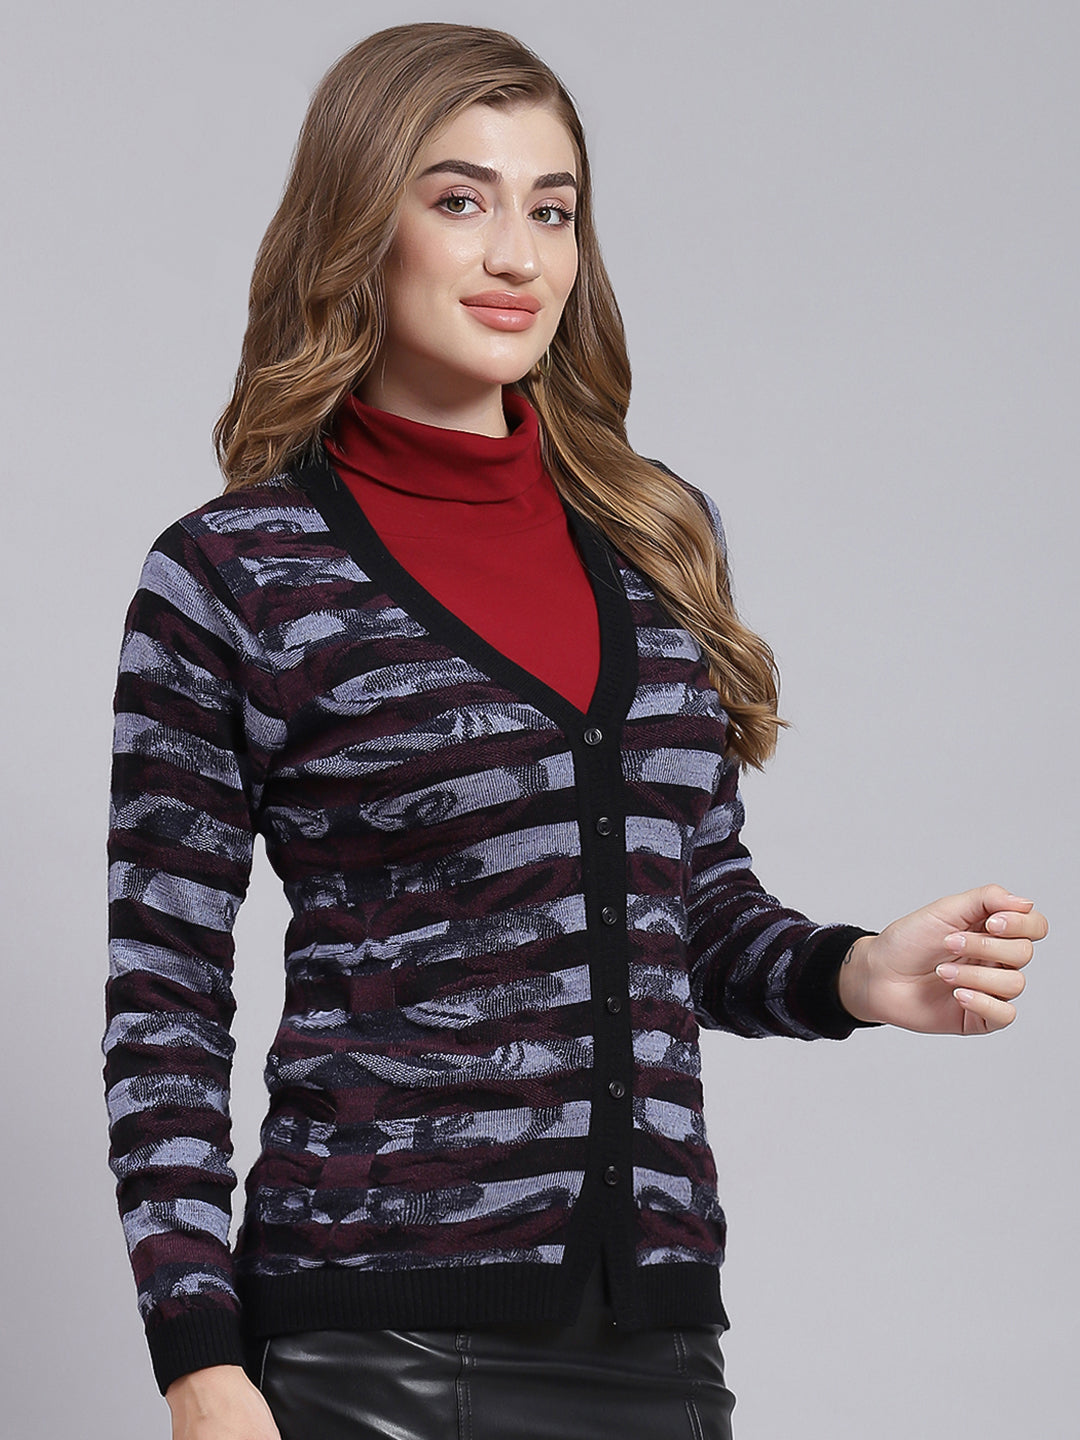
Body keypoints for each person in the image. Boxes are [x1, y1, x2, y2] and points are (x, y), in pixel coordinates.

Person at [103, 22, 1048, 1440]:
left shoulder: (655, 537)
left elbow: (691, 909)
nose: (515, 257)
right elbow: (163, 996)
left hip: (655, 1337)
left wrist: (855, 973)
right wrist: (198, 1360)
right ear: (361, 224)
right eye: (460, 199)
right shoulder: (237, 572)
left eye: (552, 211)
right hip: (370, 1342)